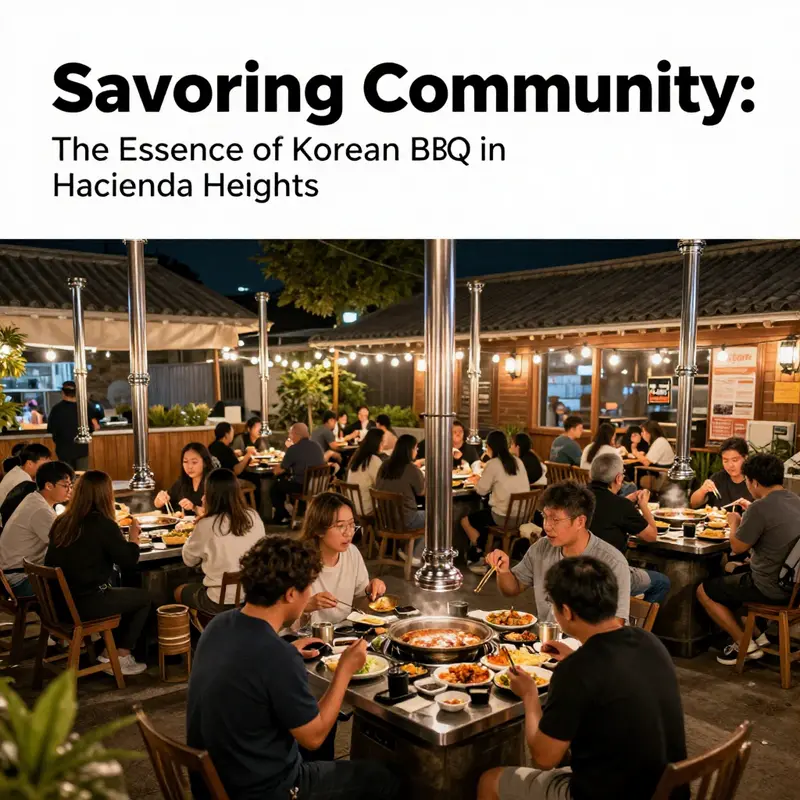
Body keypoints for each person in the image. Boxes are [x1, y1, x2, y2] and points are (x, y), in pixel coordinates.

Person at [186, 536, 402, 800]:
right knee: (384, 779)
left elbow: (254, 663)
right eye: (308, 587)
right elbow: (314, 736)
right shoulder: (275, 656)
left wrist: (286, 649)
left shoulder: (218, 626)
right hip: (266, 790)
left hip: (215, 781)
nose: (309, 594)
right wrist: (344, 670)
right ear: (290, 593)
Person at [478, 556, 688, 800]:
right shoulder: (649, 641)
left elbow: (544, 758)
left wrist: (530, 695)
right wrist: (572, 658)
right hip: (664, 790)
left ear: (566, 611)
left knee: (490, 780)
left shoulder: (578, 670)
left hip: (608, 795)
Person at [697, 453, 800, 665]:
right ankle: (759, 638)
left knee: (704, 590)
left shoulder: (760, 507)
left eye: (747, 481)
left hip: (772, 587)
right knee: (732, 572)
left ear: (753, 481)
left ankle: (745, 645)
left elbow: (736, 547)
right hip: (795, 585)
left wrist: (734, 521)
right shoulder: (796, 500)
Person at [46, 471, 150, 675]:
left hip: (55, 605)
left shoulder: (63, 520)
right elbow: (128, 561)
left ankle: (109, 648)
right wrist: (134, 538)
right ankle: (120, 655)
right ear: (106, 495)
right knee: (144, 598)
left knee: (114, 586)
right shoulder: (103, 524)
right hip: (82, 606)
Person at [486, 482, 631, 623]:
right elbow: (512, 589)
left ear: (580, 522)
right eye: (544, 517)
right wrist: (503, 570)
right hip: (546, 639)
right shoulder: (541, 548)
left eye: (555, 519)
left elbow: (616, 624)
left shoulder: (611, 562)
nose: (547, 526)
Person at [175, 469, 266, 615]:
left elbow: (189, 560)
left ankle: (202, 634)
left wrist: (201, 521)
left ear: (210, 494)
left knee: (179, 591)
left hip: (220, 602)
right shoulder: (253, 516)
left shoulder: (207, 524)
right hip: (252, 597)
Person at [588, 453, 670, 606]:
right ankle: (634, 625)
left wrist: (626, 502)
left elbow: (604, 510)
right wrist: (644, 506)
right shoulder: (620, 506)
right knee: (662, 582)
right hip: (608, 576)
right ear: (618, 478)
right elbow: (652, 536)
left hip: (576, 570)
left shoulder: (578, 497)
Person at [298, 492, 386, 626]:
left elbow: (359, 608)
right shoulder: (298, 560)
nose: (349, 533)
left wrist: (371, 594)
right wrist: (306, 606)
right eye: (340, 526)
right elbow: (277, 619)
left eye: (351, 525)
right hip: (304, 638)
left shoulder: (352, 553)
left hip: (343, 633)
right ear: (319, 530)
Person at [0, 461, 74, 598]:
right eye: (66, 486)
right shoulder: (40, 510)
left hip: (17, 573)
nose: (70, 490)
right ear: (48, 486)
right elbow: (63, 545)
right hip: (19, 580)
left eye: (71, 485)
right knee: (80, 581)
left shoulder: (35, 499)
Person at [462, 430, 531, 571]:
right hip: (523, 517)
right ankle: (483, 549)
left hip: (503, 518)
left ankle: (478, 552)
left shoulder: (493, 464)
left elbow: (481, 490)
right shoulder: (517, 461)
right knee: (484, 517)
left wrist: (477, 481)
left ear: (489, 447)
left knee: (466, 521)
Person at [376, 434, 425, 564]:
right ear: (409, 450)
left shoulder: (384, 466)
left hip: (385, 520)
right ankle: (416, 554)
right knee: (437, 517)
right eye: (415, 448)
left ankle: (406, 550)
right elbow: (422, 492)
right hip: (405, 520)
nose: (417, 451)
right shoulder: (411, 469)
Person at [270, 423, 326, 525]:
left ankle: (282, 516)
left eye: (290, 434)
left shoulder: (293, 449)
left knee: (276, 486)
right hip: (318, 486)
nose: (289, 437)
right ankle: (297, 511)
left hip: (302, 487)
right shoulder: (317, 446)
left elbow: (278, 471)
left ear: (296, 434)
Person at [46, 381, 100, 469]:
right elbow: (95, 426)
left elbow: (51, 429)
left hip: (63, 450)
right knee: (81, 476)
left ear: (63, 393)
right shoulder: (84, 407)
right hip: (81, 449)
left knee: (67, 477)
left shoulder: (56, 409)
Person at [690, 436, 753, 509]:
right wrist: (702, 490)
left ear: (745, 457)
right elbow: (693, 504)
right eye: (725, 461)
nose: (730, 465)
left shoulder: (754, 481)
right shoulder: (718, 478)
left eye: (735, 460)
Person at [155, 443, 214, 517]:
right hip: (181, 527)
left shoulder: (213, 483)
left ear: (205, 462)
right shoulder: (181, 482)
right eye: (185, 462)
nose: (189, 466)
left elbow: (214, 514)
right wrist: (159, 501)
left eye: (194, 462)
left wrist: (194, 507)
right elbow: (163, 504)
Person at [346, 428, 385, 516]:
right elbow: (382, 483)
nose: (384, 444)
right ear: (376, 443)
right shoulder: (373, 460)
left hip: (354, 507)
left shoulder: (357, 457)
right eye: (382, 441)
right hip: (367, 509)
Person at [0, 443, 51, 508]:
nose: (48, 466)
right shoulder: (22, 481)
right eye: (45, 463)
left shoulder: (18, 471)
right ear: (29, 463)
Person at [416, 420, 481, 470]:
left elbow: (477, 464)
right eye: (454, 432)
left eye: (460, 431)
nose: (458, 434)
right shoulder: (440, 446)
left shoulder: (469, 448)